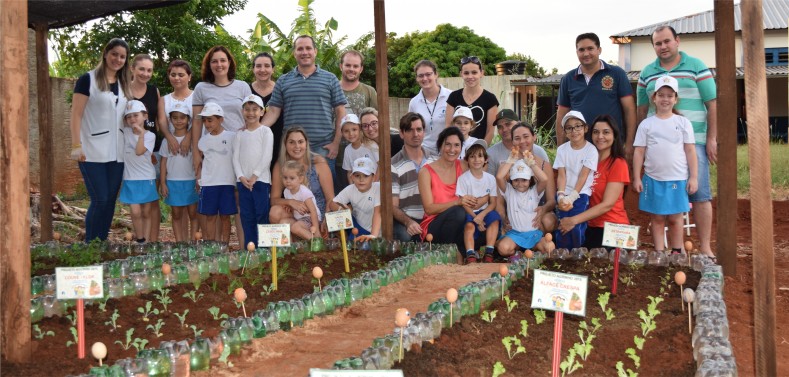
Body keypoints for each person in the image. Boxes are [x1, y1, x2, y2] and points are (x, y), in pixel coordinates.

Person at [637, 25, 717, 259]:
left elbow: (712, 103)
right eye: (658, 43)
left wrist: (712, 138)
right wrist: (637, 142)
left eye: (666, 41)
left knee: (699, 193)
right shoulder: (647, 73)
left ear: (677, 41)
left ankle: (705, 247)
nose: (662, 47)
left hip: (695, 141)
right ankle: (668, 250)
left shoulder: (697, 66)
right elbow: (642, 108)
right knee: (661, 196)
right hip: (658, 146)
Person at [261, 35, 347, 189]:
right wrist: (255, 130)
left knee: (327, 195)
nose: (304, 52)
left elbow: (341, 112)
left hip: (323, 147)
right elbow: (273, 111)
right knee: (293, 190)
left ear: (315, 51)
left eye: (308, 48)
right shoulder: (283, 80)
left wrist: (335, 143)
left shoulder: (330, 79)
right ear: (294, 53)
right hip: (292, 148)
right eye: (300, 48)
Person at [69, 38, 132, 241]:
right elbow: (76, 114)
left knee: (110, 200)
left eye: (122, 56)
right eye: (114, 54)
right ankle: (91, 245)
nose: (118, 59)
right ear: (105, 54)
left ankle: (102, 244)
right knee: (100, 199)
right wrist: (76, 145)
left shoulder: (124, 84)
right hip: (91, 151)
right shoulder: (87, 80)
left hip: (117, 153)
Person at [192, 46, 251, 244]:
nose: (219, 65)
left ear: (230, 63)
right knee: (216, 203)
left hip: (238, 149)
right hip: (213, 153)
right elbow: (197, 122)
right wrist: (195, 153)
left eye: (223, 60)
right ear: (209, 65)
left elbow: (250, 116)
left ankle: (244, 247)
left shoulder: (242, 87)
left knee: (238, 201)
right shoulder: (201, 88)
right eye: (214, 61)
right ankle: (217, 249)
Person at [633, 76, 698, 254]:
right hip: (653, 179)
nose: (665, 99)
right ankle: (660, 253)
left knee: (676, 218)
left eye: (670, 95)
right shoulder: (646, 124)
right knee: (657, 218)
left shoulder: (683, 122)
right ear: (654, 97)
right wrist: (637, 177)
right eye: (661, 95)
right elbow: (639, 152)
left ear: (675, 99)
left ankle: (677, 251)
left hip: (677, 178)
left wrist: (693, 177)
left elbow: (690, 151)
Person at [556, 32, 636, 158]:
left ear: (599, 50)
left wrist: (630, 144)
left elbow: (629, 110)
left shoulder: (616, 74)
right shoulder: (568, 79)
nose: (586, 53)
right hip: (579, 147)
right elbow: (561, 116)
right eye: (581, 50)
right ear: (577, 52)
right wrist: (561, 150)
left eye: (590, 48)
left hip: (611, 146)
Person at [558, 115, 630, 249]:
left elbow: (607, 205)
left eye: (606, 132)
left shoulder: (618, 163)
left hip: (613, 227)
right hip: (589, 225)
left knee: (599, 265)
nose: (600, 136)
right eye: (596, 132)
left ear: (615, 135)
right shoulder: (587, 158)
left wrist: (573, 220)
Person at [269, 128, 335, 232]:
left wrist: (326, 219)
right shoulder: (280, 165)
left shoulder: (319, 163)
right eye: (291, 142)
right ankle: (296, 244)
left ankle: (316, 236)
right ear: (285, 145)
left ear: (306, 144)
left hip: (316, 216)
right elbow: (274, 200)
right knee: (275, 212)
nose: (297, 146)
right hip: (295, 214)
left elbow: (330, 198)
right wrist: (291, 202)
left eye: (300, 142)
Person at [418, 127, 469, 258]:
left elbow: (481, 175)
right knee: (458, 212)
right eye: (448, 144)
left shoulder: (463, 166)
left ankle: (461, 253)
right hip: (433, 227)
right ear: (440, 146)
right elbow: (429, 209)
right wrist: (457, 202)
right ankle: (450, 253)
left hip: (458, 225)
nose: (452, 150)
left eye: (457, 145)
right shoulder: (426, 172)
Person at [233, 94, 274, 247]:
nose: (251, 113)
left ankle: (264, 249)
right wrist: (241, 177)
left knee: (261, 214)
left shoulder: (266, 132)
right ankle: (250, 249)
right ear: (242, 112)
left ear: (262, 112)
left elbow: (267, 156)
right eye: (247, 109)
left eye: (255, 109)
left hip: (261, 181)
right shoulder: (239, 134)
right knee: (246, 216)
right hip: (243, 183)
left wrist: (255, 176)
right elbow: (235, 158)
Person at [130, 54, 163, 242]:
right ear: (132, 69)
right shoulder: (124, 91)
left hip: (153, 151)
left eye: (149, 70)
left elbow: (158, 122)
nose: (145, 73)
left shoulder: (153, 91)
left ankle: (153, 241)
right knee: (136, 201)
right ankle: (140, 239)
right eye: (141, 69)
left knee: (152, 200)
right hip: (132, 152)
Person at [553, 111, 598, 249]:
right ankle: (562, 253)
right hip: (564, 194)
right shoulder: (562, 150)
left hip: (581, 194)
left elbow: (583, 176)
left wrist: (572, 197)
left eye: (578, 126)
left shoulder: (591, 150)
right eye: (569, 128)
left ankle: (577, 254)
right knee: (562, 224)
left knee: (575, 225)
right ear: (565, 132)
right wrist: (561, 196)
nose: (574, 131)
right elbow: (562, 174)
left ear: (585, 128)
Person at [503, 123, 557, 233]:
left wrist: (543, 209)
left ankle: (538, 244)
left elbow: (551, 200)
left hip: (537, 210)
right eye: (517, 138)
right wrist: (503, 216)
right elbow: (499, 200)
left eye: (526, 136)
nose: (522, 141)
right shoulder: (507, 165)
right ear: (512, 142)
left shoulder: (544, 165)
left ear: (534, 137)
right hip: (515, 212)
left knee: (548, 221)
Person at [496, 154, 552, 260]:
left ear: (530, 180)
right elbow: (499, 177)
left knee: (549, 247)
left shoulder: (534, 191)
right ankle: (519, 253)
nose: (520, 183)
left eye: (524, 180)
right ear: (511, 180)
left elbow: (544, 179)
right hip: (514, 234)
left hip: (533, 234)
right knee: (503, 248)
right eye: (516, 180)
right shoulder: (508, 191)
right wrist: (511, 160)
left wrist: (531, 163)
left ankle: (530, 252)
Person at [196, 103, 237, 242]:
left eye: (210, 120)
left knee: (225, 216)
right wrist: (199, 179)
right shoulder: (203, 141)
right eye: (204, 120)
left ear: (221, 119)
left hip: (227, 182)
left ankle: (225, 245)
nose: (207, 124)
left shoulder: (232, 137)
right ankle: (211, 245)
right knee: (210, 216)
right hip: (209, 183)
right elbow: (201, 162)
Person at [392, 112, 435, 242]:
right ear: (401, 134)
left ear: (424, 132)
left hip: (432, 217)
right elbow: (392, 206)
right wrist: (408, 222)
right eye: (409, 130)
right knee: (405, 237)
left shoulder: (435, 159)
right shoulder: (393, 165)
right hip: (407, 218)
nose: (415, 134)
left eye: (419, 129)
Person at [119, 100, 158, 244]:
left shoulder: (150, 136)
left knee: (146, 212)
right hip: (130, 178)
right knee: (135, 212)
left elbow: (139, 151)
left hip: (146, 177)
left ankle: (145, 242)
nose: (132, 119)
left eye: (136, 115)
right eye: (129, 117)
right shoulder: (125, 131)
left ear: (145, 116)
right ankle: (140, 239)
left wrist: (141, 134)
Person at [159, 103, 198, 242]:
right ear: (170, 120)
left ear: (188, 120)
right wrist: (163, 183)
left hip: (191, 181)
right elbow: (163, 163)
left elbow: (198, 161)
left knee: (193, 213)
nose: (179, 121)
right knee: (176, 214)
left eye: (182, 117)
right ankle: (180, 243)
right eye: (175, 118)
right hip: (173, 182)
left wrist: (199, 180)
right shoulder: (166, 141)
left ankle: (193, 241)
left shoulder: (194, 140)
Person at [457, 144, 500, 263]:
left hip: (485, 211)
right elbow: (464, 203)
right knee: (469, 227)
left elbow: (493, 203)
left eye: (480, 156)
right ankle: (470, 254)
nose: (476, 160)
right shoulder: (463, 179)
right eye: (472, 156)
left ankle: (489, 252)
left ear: (486, 160)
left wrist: (481, 216)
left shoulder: (490, 178)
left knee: (495, 220)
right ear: (467, 160)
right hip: (470, 212)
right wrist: (476, 217)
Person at [446, 56, 499, 146]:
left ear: (481, 73)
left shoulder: (490, 99)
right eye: (466, 73)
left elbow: (490, 131)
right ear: (461, 74)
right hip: (457, 151)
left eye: (474, 72)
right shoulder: (453, 97)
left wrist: (480, 152)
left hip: (478, 154)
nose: (470, 76)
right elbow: (448, 126)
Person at [249, 52, 285, 172]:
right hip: (252, 143)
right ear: (253, 69)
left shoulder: (281, 90)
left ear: (273, 69)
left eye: (267, 66)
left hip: (278, 144)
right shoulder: (246, 90)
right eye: (258, 66)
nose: (262, 70)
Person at [331, 157, 382, 241]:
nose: (361, 179)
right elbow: (332, 203)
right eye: (357, 175)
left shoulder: (378, 188)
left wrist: (373, 236)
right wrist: (342, 209)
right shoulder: (350, 189)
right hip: (357, 228)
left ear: (373, 177)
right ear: (352, 177)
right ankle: (344, 240)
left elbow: (378, 212)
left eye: (366, 176)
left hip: (375, 233)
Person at [486, 109, 550, 176]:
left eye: (508, 124)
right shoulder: (491, 153)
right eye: (500, 127)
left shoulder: (538, 151)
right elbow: (489, 183)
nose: (504, 129)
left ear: (518, 123)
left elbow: (548, 179)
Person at [409, 60, 452, 155]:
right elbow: (412, 130)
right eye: (420, 76)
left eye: (428, 74)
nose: (425, 78)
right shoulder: (414, 102)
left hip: (448, 151)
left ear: (436, 74)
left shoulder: (451, 96)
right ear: (417, 78)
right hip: (424, 153)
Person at [158, 59, 194, 157]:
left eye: (181, 75)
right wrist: (170, 138)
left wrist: (188, 137)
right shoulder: (163, 100)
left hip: (193, 146)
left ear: (189, 77)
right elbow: (162, 122)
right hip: (171, 147)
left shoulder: (197, 97)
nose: (176, 78)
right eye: (173, 75)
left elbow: (199, 120)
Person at [278, 160, 321, 241]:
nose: (288, 181)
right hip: (299, 219)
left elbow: (313, 211)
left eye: (292, 178)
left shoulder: (304, 192)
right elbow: (293, 206)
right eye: (285, 177)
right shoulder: (286, 191)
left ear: (300, 179)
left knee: (295, 227)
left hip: (311, 218)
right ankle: (289, 248)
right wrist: (290, 207)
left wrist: (317, 230)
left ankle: (317, 241)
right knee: (283, 223)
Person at [339, 50, 378, 117]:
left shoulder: (370, 92)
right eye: (348, 65)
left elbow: (376, 120)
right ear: (341, 66)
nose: (351, 69)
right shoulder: (330, 90)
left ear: (361, 69)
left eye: (355, 66)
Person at [340, 114, 377, 183]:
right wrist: (352, 188)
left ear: (360, 129)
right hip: (359, 187)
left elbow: (380, 166)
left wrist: (374, 184)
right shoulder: (347, 150)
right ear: (342, 133)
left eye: (354, 129)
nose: (351, 134)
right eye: (346, 131)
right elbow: (349, 172)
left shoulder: (371, 145)